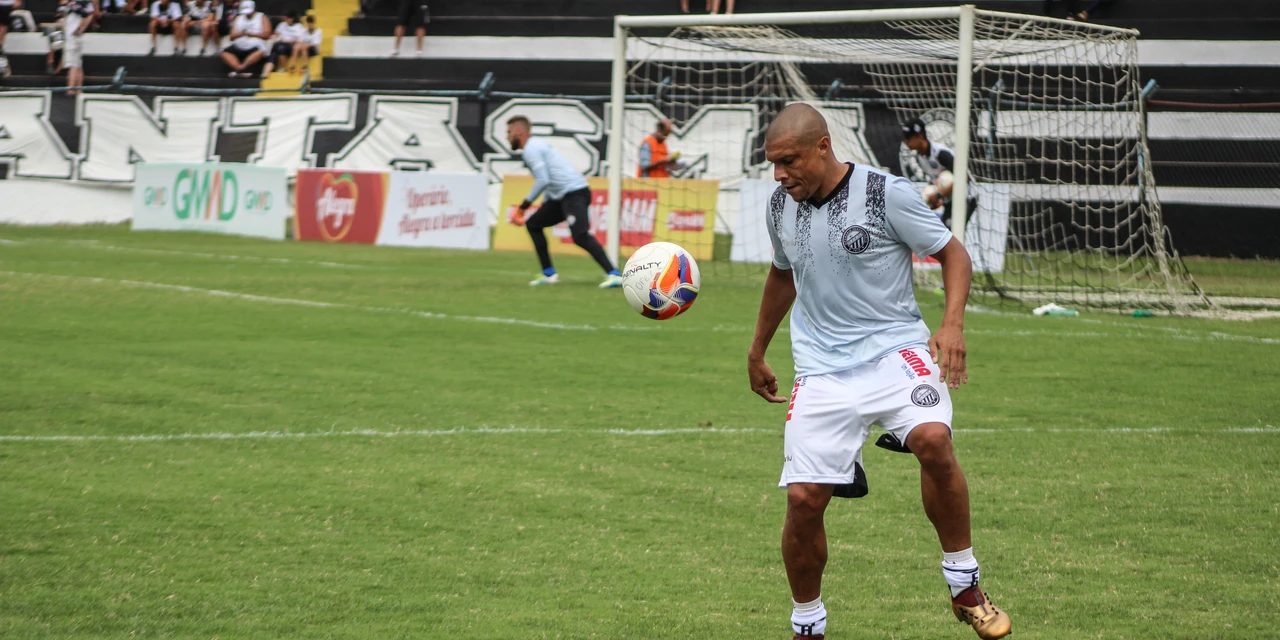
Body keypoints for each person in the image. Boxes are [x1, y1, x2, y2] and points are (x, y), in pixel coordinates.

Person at [748, 104, 1010, 640]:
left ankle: (964, 585)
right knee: (803, 500)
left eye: (789, 161)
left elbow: (953, 254)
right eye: (773, 163)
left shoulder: (885, 193)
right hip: (821, 368)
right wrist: (757, 350)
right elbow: (783, 274)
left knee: (933, 440)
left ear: (823, 146)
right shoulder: (780, 205)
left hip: (895, 351)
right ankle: (807, 626)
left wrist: (952, 325)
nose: (779, 175)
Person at [504, 115, 624, 288]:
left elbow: (543, 180)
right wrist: (545, 205)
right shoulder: (534, 147)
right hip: (561, 196)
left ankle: (614, 274)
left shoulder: (531, 149)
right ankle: (548, 274)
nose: (507, 137)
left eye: (509, 132)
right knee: (534, 224)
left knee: (580, 235)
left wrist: (523, 207)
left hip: (575, 193)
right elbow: (550, 181)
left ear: (519, 132)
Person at [901, 117, 975, 229]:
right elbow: (936, 182)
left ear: (920, 137)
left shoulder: (940, 154)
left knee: (952, 232)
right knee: (946, 233)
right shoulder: (920, 158)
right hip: (950, 199)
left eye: (908, 138)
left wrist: (938, 194)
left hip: (965, 196)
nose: (905, 142)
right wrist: (935, 200)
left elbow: (964, 177)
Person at [219, 0, 269, 77]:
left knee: (260, 52)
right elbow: (232, 36)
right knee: (224, 53)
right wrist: (242, 33)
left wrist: (252, 34)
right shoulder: (239, 18)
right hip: (239, 45)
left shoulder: (261, 17)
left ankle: (243, 67)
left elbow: (267, 34)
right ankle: (238, 68)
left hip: (255, 45)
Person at [61, 0, 95, 95]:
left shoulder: (76, 4)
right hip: (75, 37)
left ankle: (70, 89)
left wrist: (79, 29)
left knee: (73, 64)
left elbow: (85, 15)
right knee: (78, 64)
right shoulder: (83, 3)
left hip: (72, 37)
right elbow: (89, 14)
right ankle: (79, 89)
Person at [266, 9, 300, 75]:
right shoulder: (282, 25)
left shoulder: (298, 27)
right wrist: (275, 38)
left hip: (290, 45)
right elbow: (276, 34)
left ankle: (283, 67)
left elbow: (298, 39)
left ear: (292, 19)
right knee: (274, 46)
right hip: (280, 43)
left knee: (281, 47)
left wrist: (286, 41)